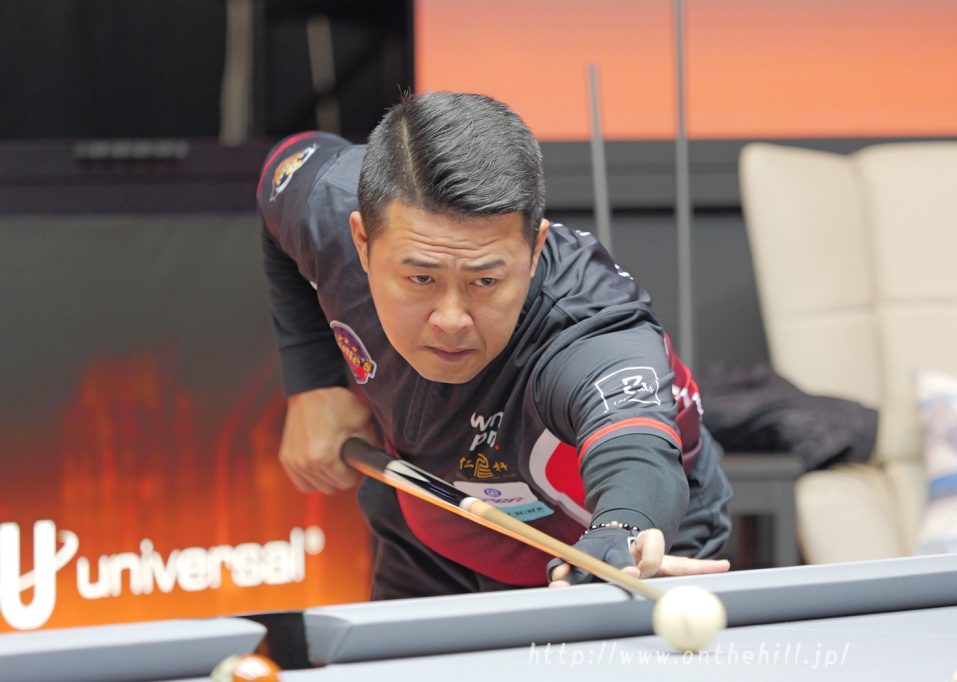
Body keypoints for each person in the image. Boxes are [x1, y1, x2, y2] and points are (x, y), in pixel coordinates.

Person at [257, 92, 732, 599]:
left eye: (485, 281)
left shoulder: (590, 332)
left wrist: (621, 530)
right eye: (420, 278)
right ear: (362, 242)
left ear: (534, 250)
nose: (451, 320)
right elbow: (279, 177)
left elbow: (635, 452)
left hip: (607, 558)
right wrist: (312, 383)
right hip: (427, 520)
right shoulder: (326, 204)